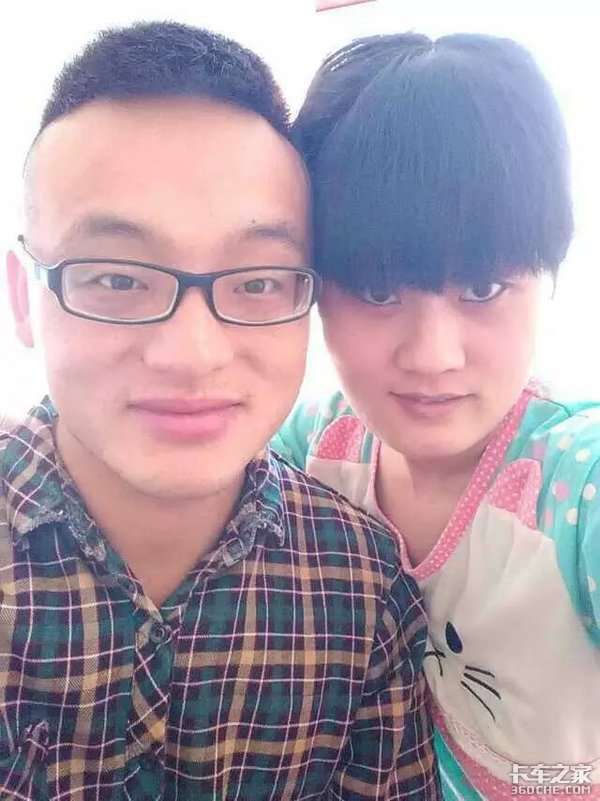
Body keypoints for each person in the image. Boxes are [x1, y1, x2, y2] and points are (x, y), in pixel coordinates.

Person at [0, 22, 440, 800]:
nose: (192, 354)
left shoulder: (365, 589)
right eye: (118, 278)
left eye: (259, 281)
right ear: (23, 297)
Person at [273, 32, 600, 799]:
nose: (432, 355)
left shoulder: (576, 485)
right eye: (378, 291)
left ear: (548, 276)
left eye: (483, 289)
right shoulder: (315, 447)